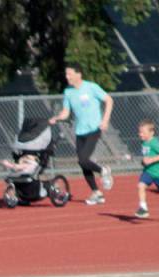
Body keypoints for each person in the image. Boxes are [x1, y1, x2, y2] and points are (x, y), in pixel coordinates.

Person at [48, 62, 114, 205]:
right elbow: (66, 112)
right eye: (66, 74)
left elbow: (109, 100)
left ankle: (103, 170)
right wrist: (57, 117)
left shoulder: (91, 87)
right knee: (82, 163)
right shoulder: (68, 92)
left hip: (94, 129)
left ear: (79, 74)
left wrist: (105, 120)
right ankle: (96, 193)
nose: (67, 77)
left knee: (83, 159)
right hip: (80, 131)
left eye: (70, 74)